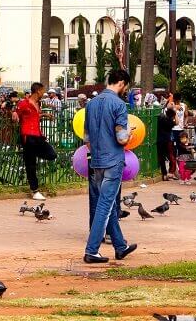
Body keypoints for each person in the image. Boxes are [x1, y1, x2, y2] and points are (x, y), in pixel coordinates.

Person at [83, 68, 137, 264]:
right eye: (126, 86)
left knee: (109, 204)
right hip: (113, 161)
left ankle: (120, 246)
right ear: (121, 83)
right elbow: (121, 138)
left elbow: (87, 139)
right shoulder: (118, 104)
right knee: (105, 206)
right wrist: (130, 132)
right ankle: (92, 250)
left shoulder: (92, 103)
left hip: (96, 160)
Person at [16, 82, 58, 200]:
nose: (44, 93)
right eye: (43, 91)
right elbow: (16, 113)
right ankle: (35, 191)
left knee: (52, 154)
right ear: (38, 91)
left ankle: (32, 154)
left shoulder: (37, 103)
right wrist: (14, 114)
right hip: (27, 136)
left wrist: (44, 114)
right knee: (31, 165)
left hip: (37, 135)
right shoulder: (24, 103)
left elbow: (35, 116)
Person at [156, 108, 177, 181]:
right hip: (167, 141)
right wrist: (176, 114)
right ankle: (171, 172)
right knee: (171, 156)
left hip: (159, 140)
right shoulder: (170, 122)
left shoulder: (160, 119)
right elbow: (177, 122)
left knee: (161, 157)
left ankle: (164, 174)